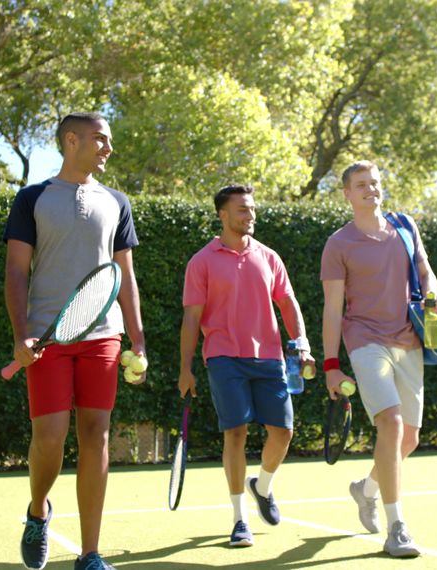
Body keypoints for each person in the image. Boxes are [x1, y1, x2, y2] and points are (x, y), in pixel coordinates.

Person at [3, 111, 146, 570]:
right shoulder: (32, 199)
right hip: (47, 337)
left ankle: (90, 553)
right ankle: (38, 510)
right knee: (49, 438)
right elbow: (15, 271)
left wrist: (137, 339)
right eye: (100, 139)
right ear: (71, 140)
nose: (108, 148)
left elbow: (125, 277)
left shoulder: (117, 201)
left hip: (103, 337)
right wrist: (21, 333)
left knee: (95, 435)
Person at [178, 184, 315, 547]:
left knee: (283, 432)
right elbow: (191, 318)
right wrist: (185, 368)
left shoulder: (269, 257)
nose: (249, 215)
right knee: (235, 432)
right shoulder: (202, 261)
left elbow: (288, 302)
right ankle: (240, 520)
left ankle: (263, 487)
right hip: (223, 357)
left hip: (270, 358)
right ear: (223, 215)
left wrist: (300, 343)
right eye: (242, 210)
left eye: (252, 209)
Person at [320, 160, 437, 558]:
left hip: (409, 340)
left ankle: (366, 489)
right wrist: (330, 364)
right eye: (361, 185)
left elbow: (426, 272)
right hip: (364, 339)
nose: (370, 189)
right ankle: (397, 528)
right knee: (389, 423)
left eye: (374, 183)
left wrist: (432, 295)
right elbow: (333, 308)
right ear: (347, 195)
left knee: (408, 438)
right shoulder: (338, 244)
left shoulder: (404, 226)